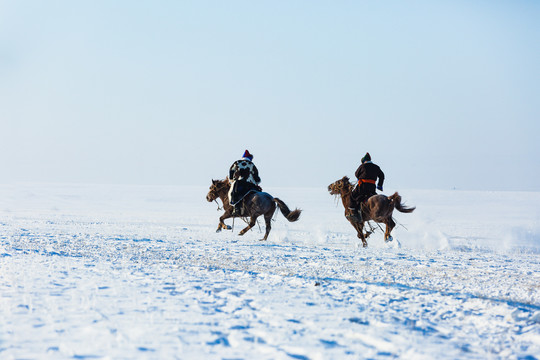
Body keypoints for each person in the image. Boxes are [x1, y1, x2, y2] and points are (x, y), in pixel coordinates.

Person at [347, 152, 385, 223]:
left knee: (352, 196)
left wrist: (360, 178)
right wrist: (379, 185)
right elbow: (382, 176)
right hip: (372, 188)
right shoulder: (376, 167)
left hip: (362, 187)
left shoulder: (362, 166)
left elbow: (356, 174)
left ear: (364, 161)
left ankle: (354, 214)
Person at [228, 150, 261, 215]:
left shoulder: (237, 162)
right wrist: (257, 181)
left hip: (239, 183)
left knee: (233, 194)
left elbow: (231, 170)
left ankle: (236, 209)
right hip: (250, 184)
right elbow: (256, 174)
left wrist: (231, 179)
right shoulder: (251, 164)